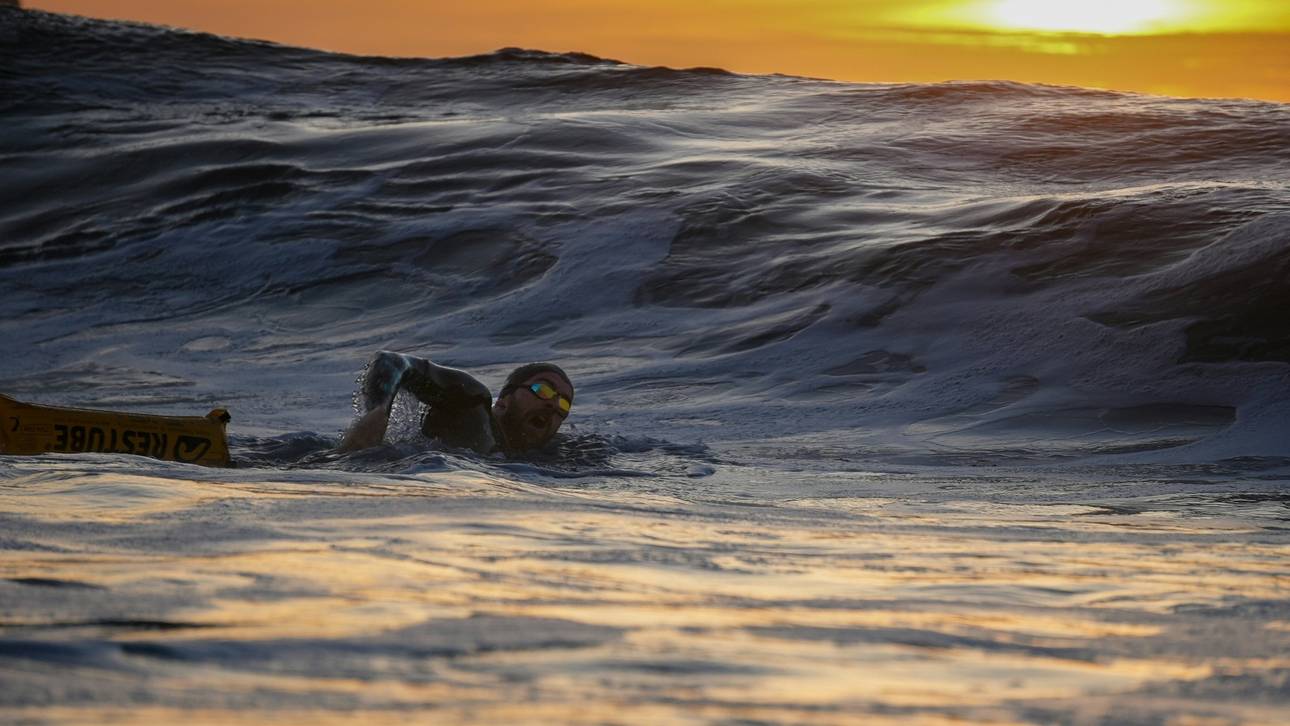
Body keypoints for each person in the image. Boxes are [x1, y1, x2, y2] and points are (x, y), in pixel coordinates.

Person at [339, 351, 574, 455]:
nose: (553, 405)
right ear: (503, 400)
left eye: (564, 405)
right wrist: (377, 414)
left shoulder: (545, 456)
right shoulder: (471, 402)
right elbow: (391, 362)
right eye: (543, 390)